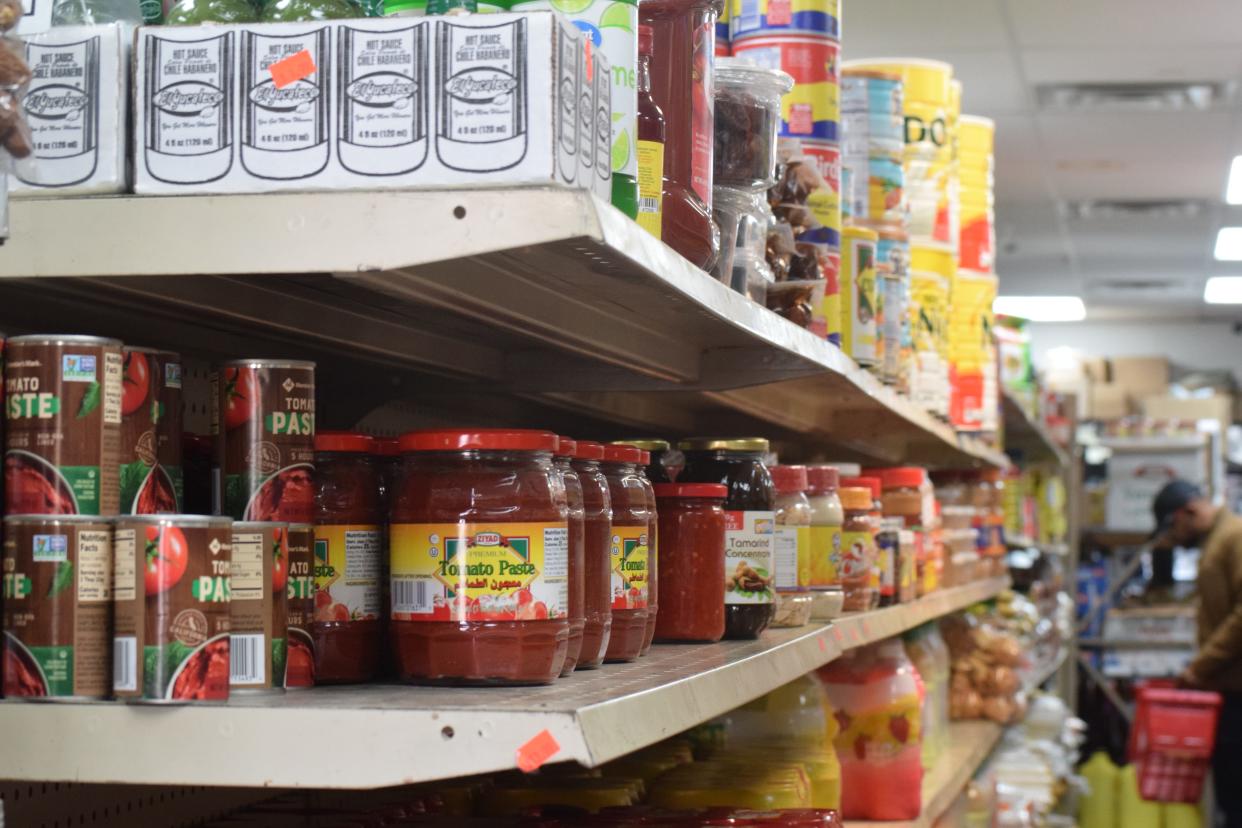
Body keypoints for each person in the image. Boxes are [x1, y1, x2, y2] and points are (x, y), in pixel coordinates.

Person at [1151, 480, 1242, 827]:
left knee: (1235, 793)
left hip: (1236, 689)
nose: (1176, 537)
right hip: (1228, 687)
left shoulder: (1233, 537)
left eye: (1175, 528)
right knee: (1229, 791)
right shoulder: (1221, 540)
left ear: (1187, 513)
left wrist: (1201, 667)